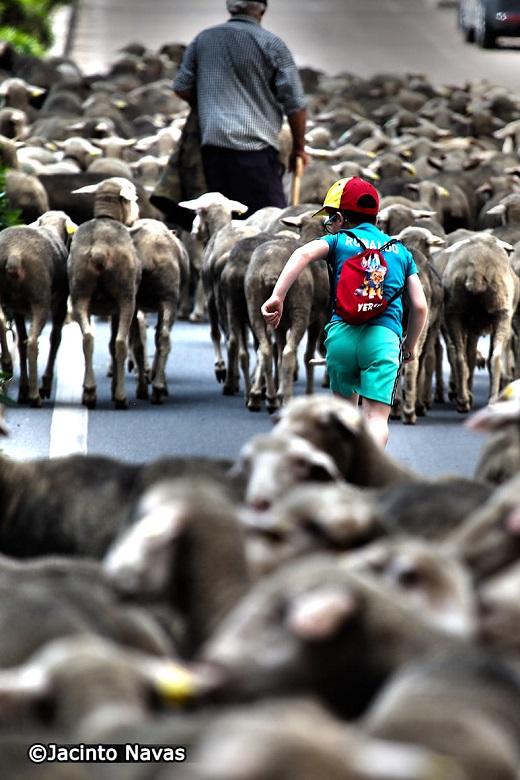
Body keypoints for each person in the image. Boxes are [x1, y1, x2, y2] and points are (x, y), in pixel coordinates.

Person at [261, 177, 428, 449]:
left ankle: (342, 472)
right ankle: (367, 472)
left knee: (345, 417)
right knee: (375, 419)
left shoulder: (338, 242)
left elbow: (302, 254)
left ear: (339, 217)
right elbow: (420, 307)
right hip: (383, 340)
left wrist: (277, 296)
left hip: (341, 337)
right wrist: (409, 347)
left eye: (331, 218)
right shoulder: (401, 251)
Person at [170, 0, 309, 220]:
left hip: (214, 149)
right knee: (270, 220)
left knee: (223, 220)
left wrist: (209, 102)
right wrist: (299, 148)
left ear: (230, 7)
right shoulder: (272, 44)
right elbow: (295, 103)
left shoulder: (204, 39)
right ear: (262, 9)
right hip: (255, 150)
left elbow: (181, 87)